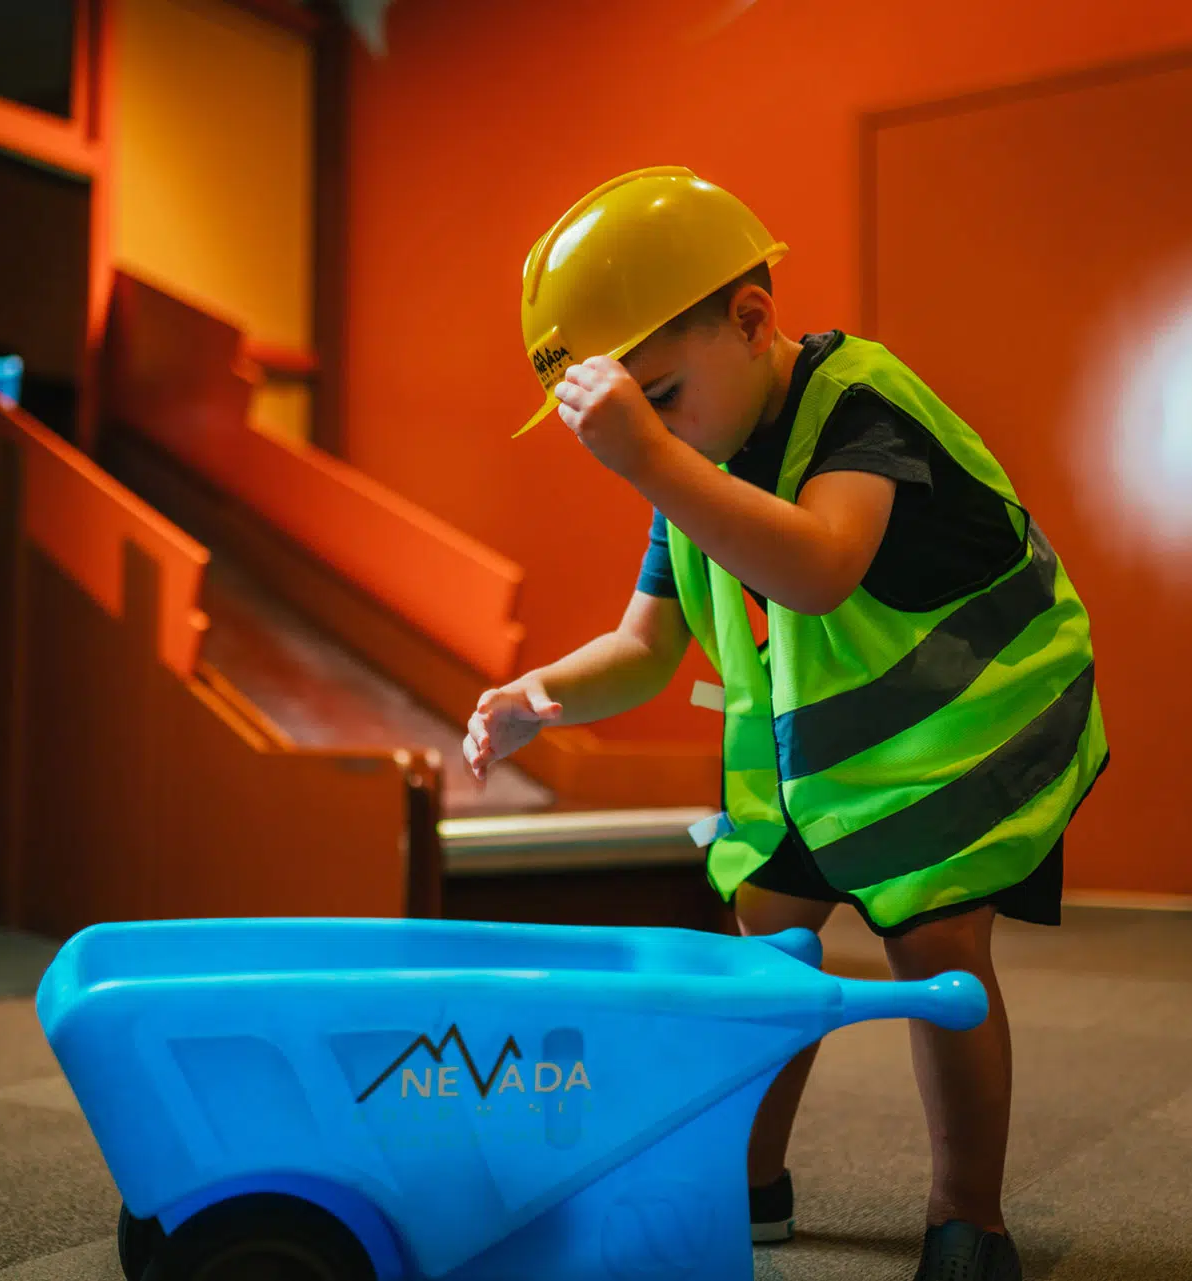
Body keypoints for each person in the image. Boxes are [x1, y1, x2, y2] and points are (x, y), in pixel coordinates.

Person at [462, 167, 1108, 1281]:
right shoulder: (696, 467)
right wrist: (543, 693)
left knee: (937, 949)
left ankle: (969, 1218)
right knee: (764, 959)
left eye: (658, 399)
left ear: (754, 320)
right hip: (829, 765)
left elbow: (816, 567)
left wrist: (653, 459)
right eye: (629, 418)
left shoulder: (860, 407)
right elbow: (646, 647)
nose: (645, 436)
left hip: (965, 729)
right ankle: (747, 1183)